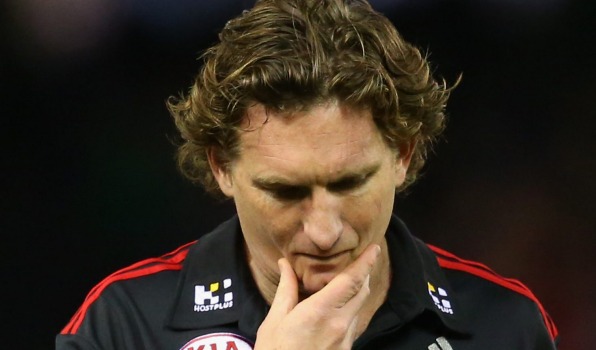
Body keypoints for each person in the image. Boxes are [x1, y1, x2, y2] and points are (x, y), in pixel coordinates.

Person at [56, 0, 559, 349]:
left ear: (404, 154)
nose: (324, 231)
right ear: (221, 167)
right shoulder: (123, 324)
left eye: (350, 183)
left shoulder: (507, 325)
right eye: (285, 190)